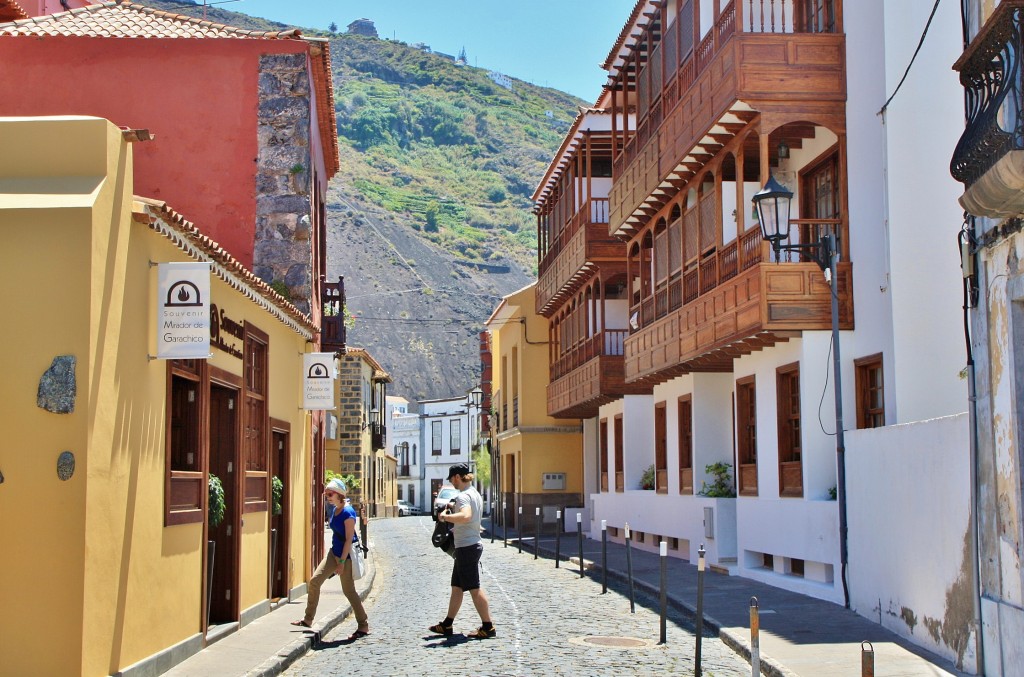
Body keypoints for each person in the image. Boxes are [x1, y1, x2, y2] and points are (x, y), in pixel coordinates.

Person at [292, 478, 369, 639]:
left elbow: (349, 539)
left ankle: (363, 625)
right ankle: (308, 619)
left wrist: (341, 562)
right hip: (334, 553)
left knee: (349, 591)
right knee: (314, 581)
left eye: (330, 493)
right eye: (326, 493)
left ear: (339, 494)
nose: (327, 496)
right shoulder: (335, 510)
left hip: (345, 557)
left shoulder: (348, 513)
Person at [428, 463, 495, 639]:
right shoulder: (475, 493)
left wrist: (445, 517)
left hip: (467, 547)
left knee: (474, 588)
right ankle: (447, 624)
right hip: (468, 545)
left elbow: (465, 516)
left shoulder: (463, 497)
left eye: (451, 479)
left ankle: (488, 626)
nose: (452, 482)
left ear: (457, 477)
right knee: (456, 587)